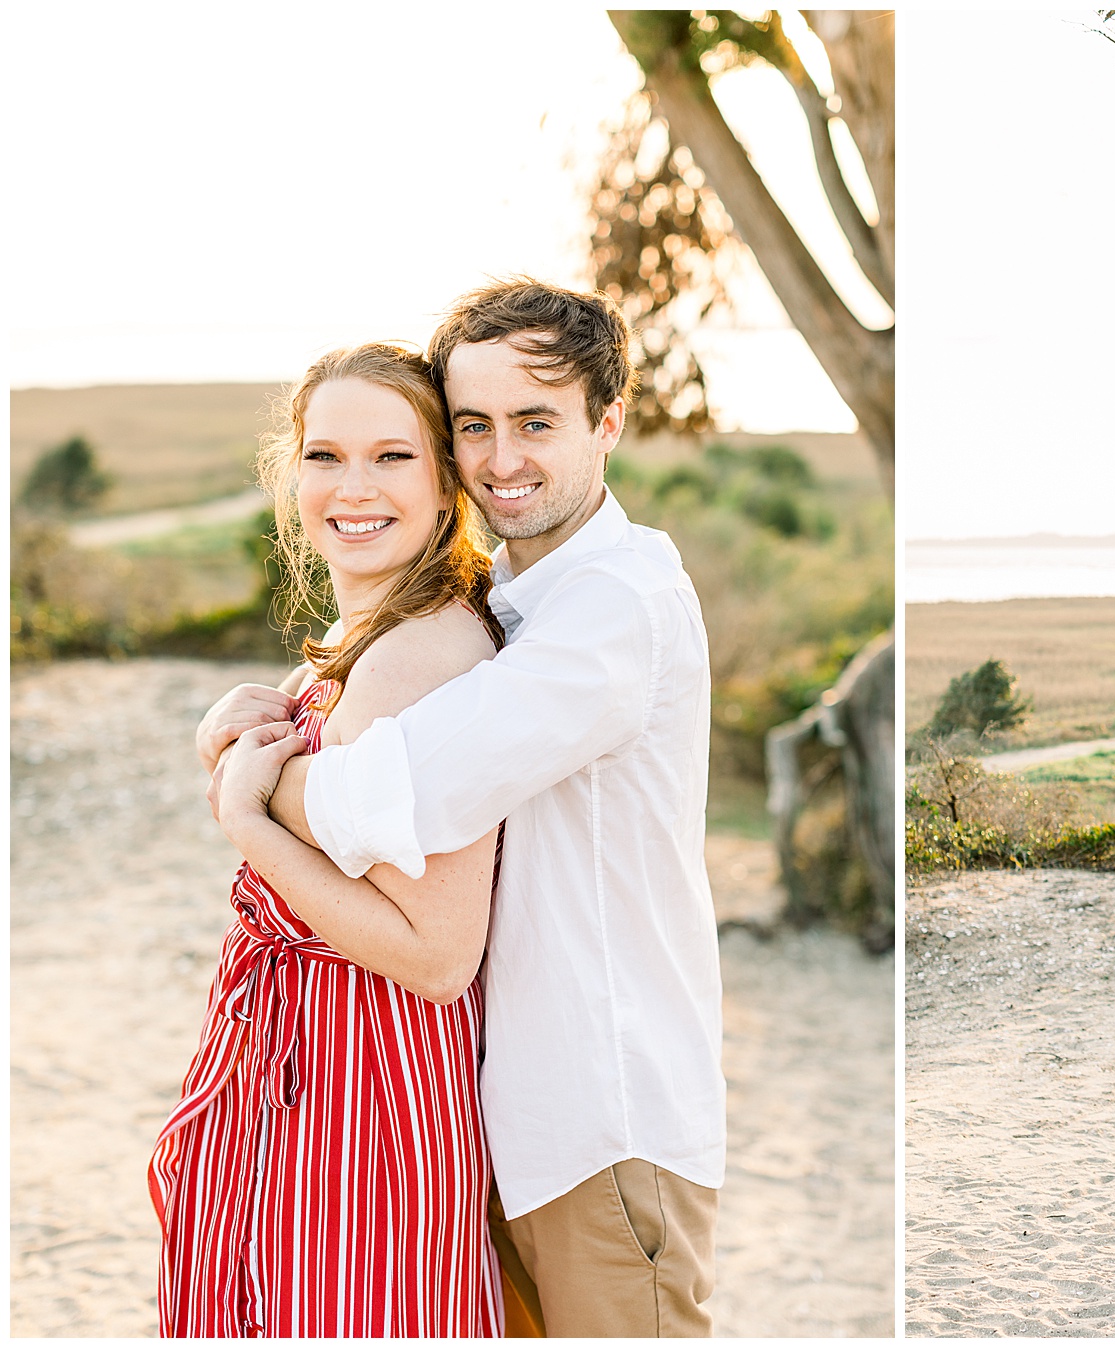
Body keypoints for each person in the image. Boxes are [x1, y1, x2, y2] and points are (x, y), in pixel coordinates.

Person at [196, 279, 724, 1337]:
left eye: (537, 421)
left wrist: (246, 781)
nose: (502, 456)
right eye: (474, 424)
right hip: (508, 1114)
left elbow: (391, 792)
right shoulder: (524, 605)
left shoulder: (614, 609)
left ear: (608, 422)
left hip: (601, 1118)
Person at [155, 343, 507, 1335]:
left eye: (393, 456)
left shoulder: (420, 660)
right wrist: (225, 739)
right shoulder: (366, 642)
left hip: (366, 1084)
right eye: (325, 456)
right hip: (307, 1064)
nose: (354, 488)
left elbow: (437, 956)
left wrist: (242, 817)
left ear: (447, 482)